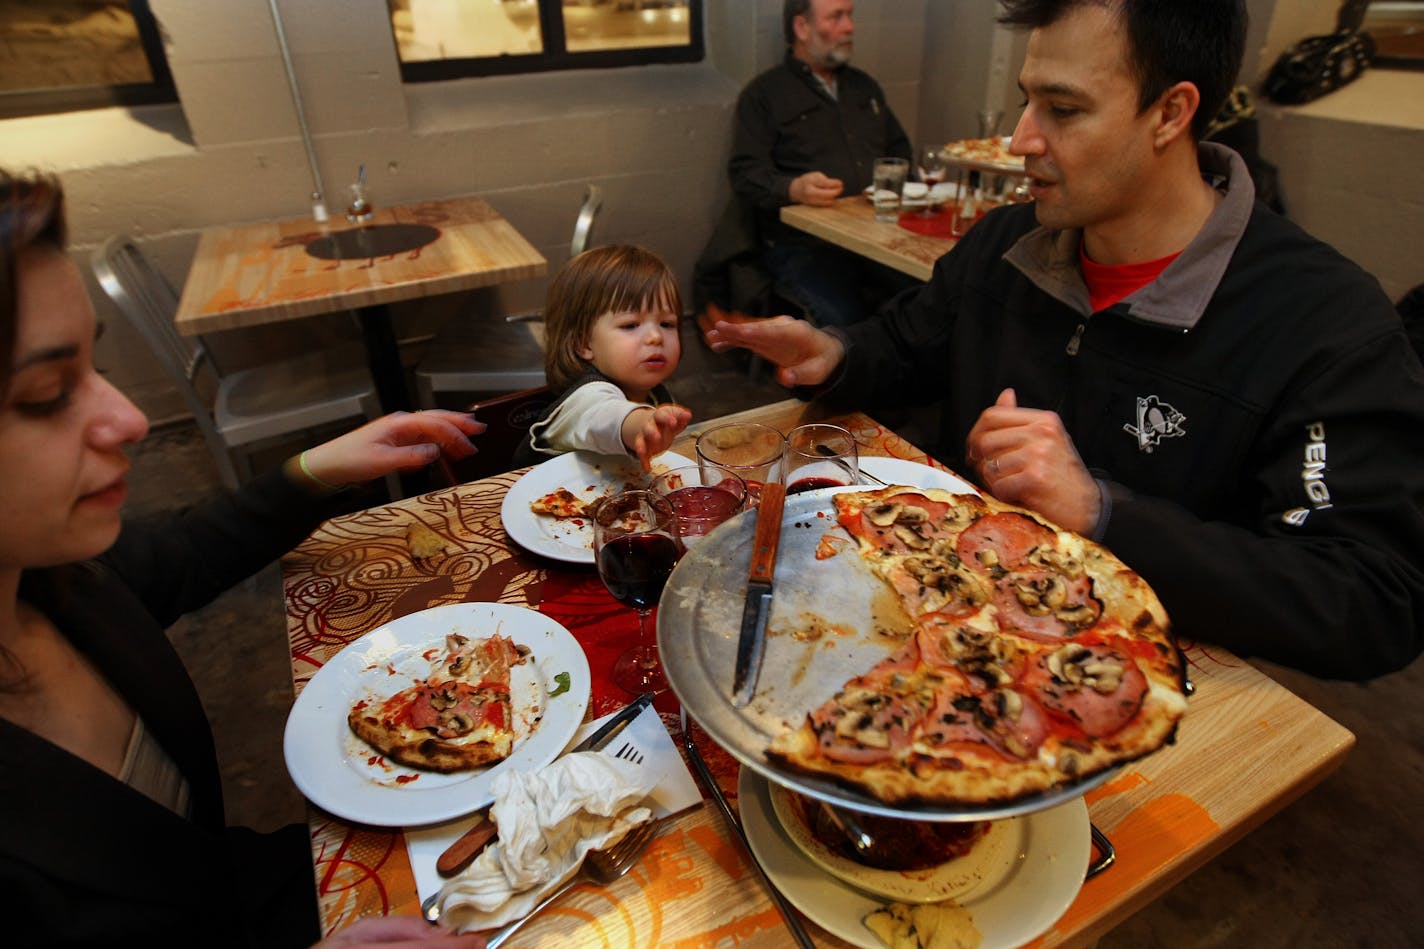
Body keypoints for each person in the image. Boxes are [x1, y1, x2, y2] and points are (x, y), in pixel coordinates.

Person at [709, 0, 1424, 680]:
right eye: (1026, 99)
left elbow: (1372, 598)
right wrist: (836, 353)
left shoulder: (1324, 322)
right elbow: (906, 341)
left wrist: (1105, 513)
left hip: (1143, 687)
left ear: (1171, 113)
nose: (1021, 139)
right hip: (948, 637)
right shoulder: (1008, 243)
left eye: (1064, 109)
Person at [0, 169, 487, 948]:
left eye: (97, 368)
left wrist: (316, 467)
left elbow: (184, 552)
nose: (128, 420)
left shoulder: (50, 580)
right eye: (45, 393)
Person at [711, 0, 917, 331]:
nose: (849, 27)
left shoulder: (865, 87)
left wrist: (909, 189)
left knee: (929, 296)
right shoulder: (765, 94)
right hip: (803, 246)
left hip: (877, 238)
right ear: (801, 28)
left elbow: (900, 153)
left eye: (849, 16)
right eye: (836, 17)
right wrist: (794, 188)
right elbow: (745, 174)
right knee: (847, 323)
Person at [516, 244, 692, 471]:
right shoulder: (585, 399)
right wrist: (642, 424)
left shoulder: (654, 393)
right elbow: (605, 417)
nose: (656, 337)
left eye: (667, 324)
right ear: (584, 343)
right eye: (631, 325)